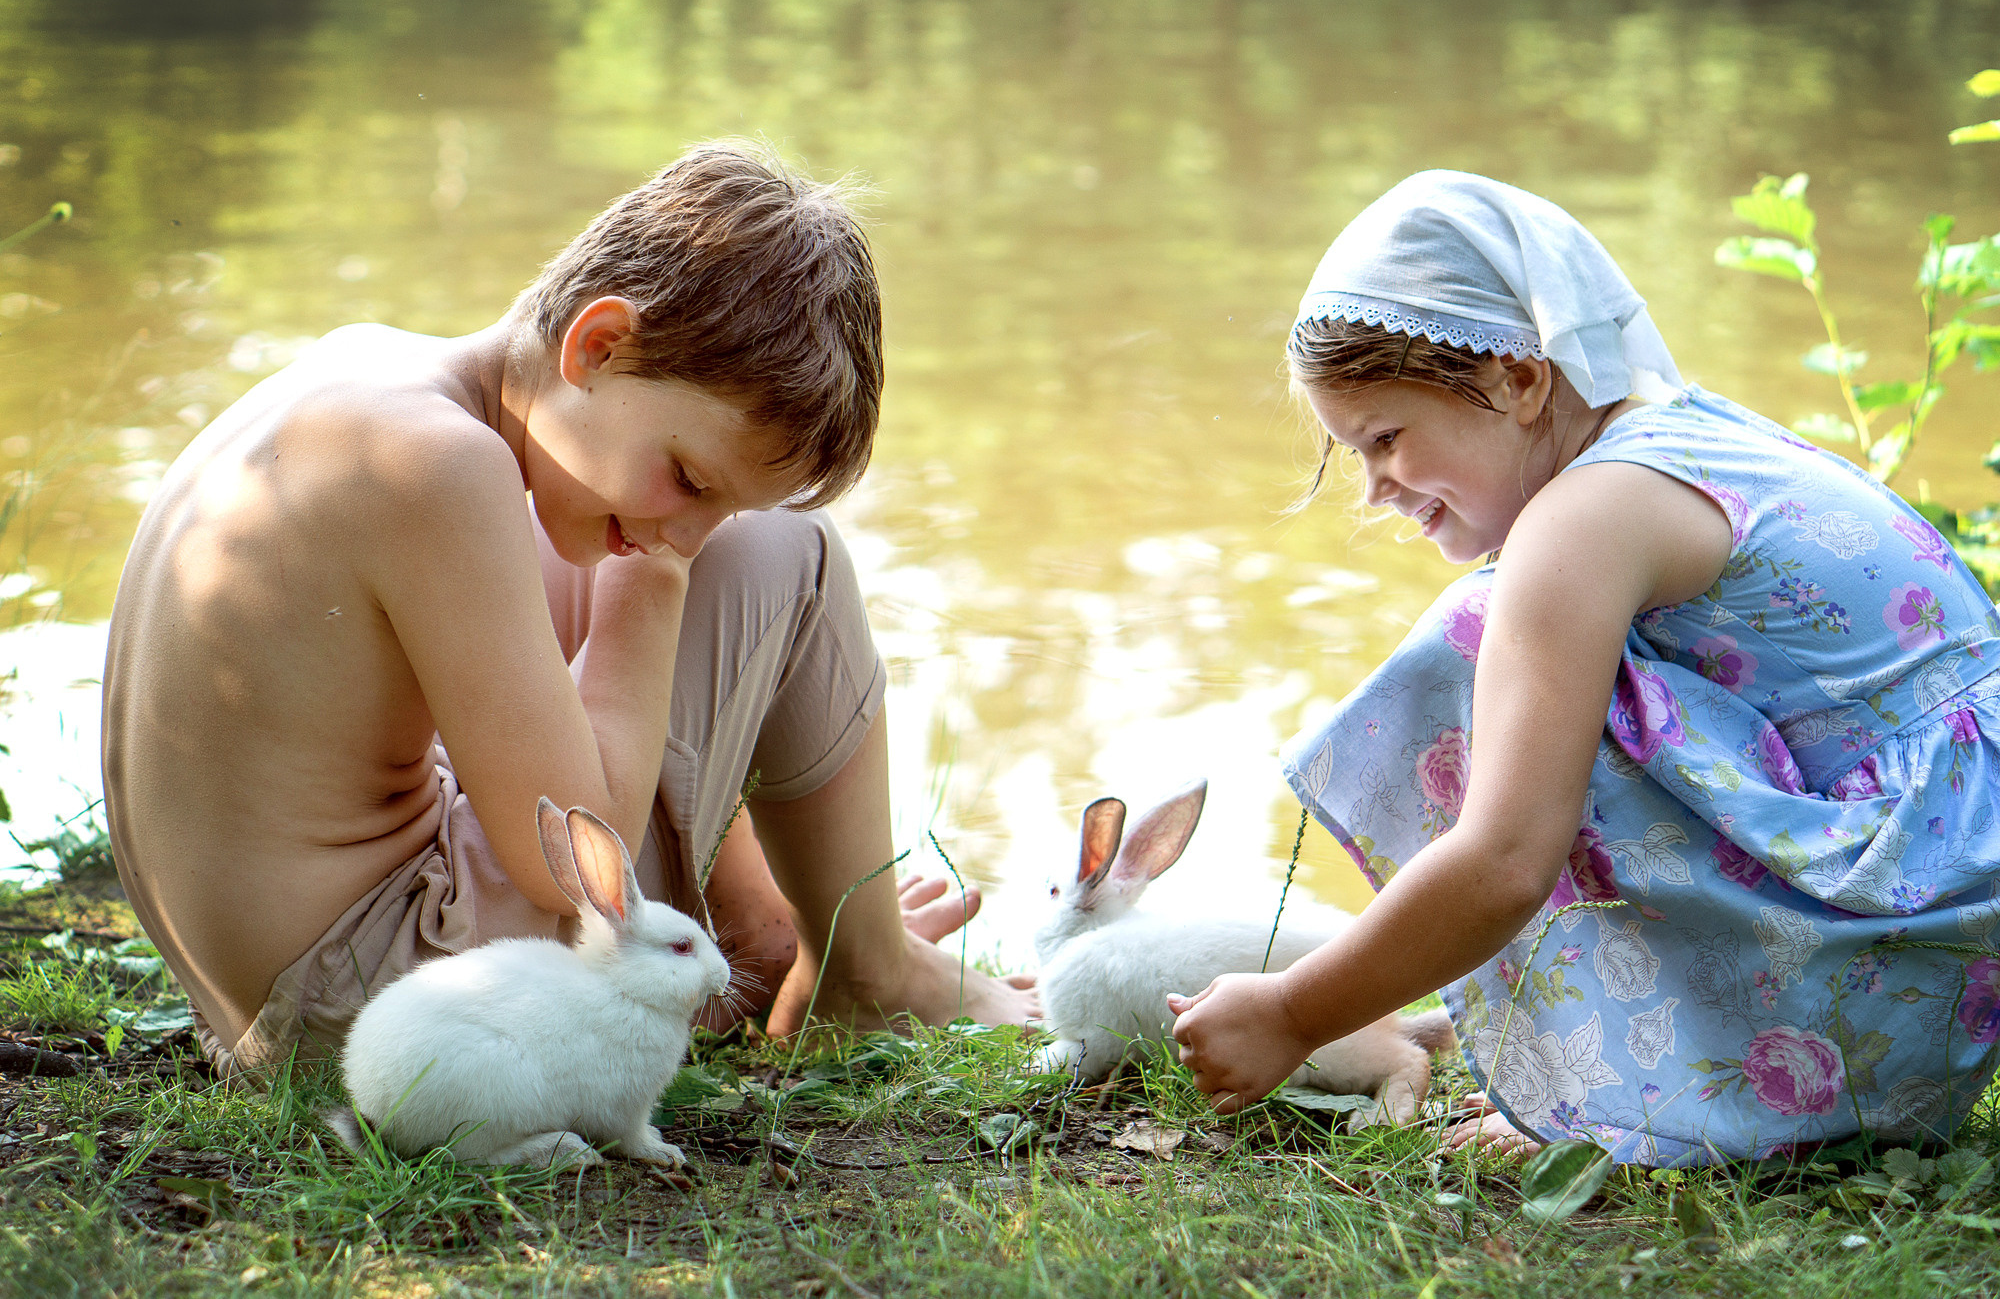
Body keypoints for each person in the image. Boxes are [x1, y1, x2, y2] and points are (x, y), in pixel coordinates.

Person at [103, 143, 1036, 1078]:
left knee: (711, 545)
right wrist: (656, 578)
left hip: (267, 999)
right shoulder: (443, 471)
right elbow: (574, 862)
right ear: (597, 346)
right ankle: (868, 979)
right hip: (395, 1015)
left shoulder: (374, 381)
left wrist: (668, 530)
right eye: (688, 478)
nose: (690, 529)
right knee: (789, 552)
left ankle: (762, 927)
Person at [1168, 170, 2000, 1165]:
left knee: (1480, 639)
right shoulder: (1679, 437)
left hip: (1896, 951)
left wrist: (1292, 1011)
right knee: (1523, 652)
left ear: (1519, 379)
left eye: (1385, 438)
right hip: (1938, 939)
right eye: (1354, 453)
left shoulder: (1583, 515)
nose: (1375, 488)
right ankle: (1644, 1075)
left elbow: (1504, 858)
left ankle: (1681, 1108)